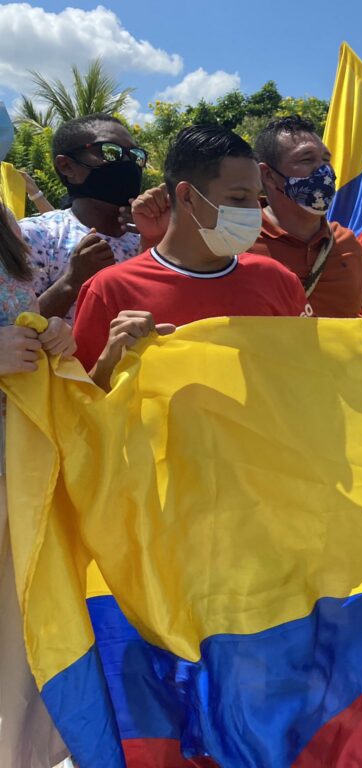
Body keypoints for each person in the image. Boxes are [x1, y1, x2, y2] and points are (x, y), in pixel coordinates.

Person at [73, 125, 362, 390]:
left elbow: (314, 378)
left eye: (255, 196)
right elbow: (78, 411)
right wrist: (108, 364)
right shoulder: (110, 290)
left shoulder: (277, 280)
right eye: (238, 197)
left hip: (267, 474)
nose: (253, 210)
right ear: (188, 197)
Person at [131, 117, 362, 319]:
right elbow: (164, 287)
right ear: (268, 176)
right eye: (307, 160)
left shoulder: (343, 241)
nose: (324, 171)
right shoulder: (228, 234)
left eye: (326, 160)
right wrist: (151, 236)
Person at [0, 200, 74, 768]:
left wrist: (52, 332)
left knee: (17, 643)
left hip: (19, 470)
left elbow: (20, 312)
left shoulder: (5, 226)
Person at [19, 114, 145, 321]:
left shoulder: (144, 238)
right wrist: (72, 282)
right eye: (111, 152)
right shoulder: (34, 236)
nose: (127, 163)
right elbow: (14, 328)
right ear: (66, 166)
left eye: (135, 155)